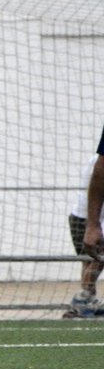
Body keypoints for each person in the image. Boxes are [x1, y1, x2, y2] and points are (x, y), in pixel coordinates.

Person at [68, 132, 104, 317]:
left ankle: (87, 298)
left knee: (89, 261)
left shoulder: (94, 161)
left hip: (78, 216)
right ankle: (83, 297)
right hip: (89, 218)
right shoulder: (98, 164)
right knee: (96, 260)